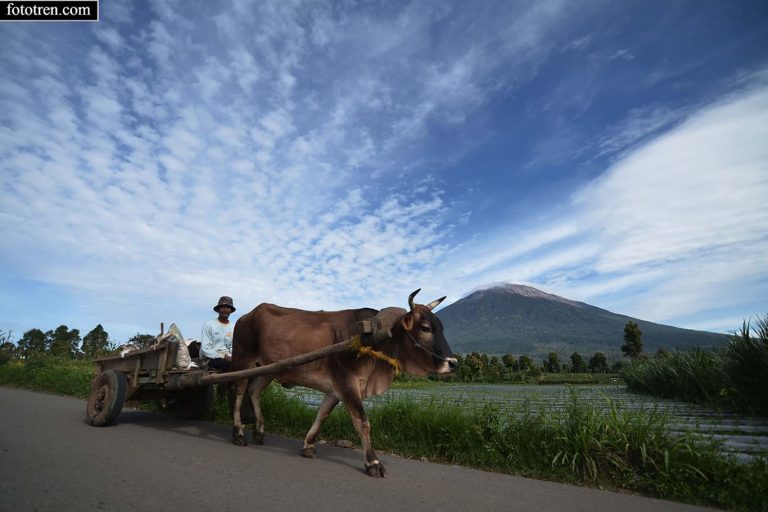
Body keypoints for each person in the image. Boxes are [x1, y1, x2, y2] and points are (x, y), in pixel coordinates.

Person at [201, 296, 236, 371]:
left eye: (228, 307)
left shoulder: (233, 327)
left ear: (231, 310)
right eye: (222, 307)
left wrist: (232, 356)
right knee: (228, 366)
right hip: (211, 358)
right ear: (218, 310)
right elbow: (205, 349)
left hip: (228, 357)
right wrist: (223, 356)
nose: (225, 309)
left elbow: (232, 346)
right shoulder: (209, 325)